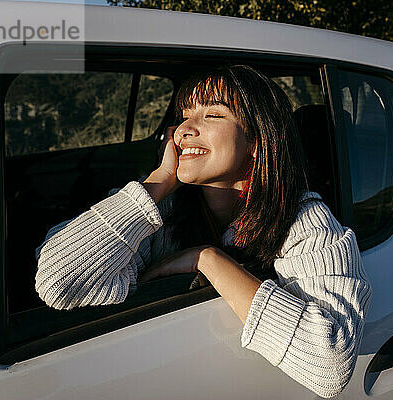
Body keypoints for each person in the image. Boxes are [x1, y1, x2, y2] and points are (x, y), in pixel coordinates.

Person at [34, 65, 372, 398]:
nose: (184, 130)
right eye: (185, 114)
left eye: (212, 115)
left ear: (256, 140)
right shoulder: (161, 209)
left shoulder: (304, 220)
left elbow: (330, 364)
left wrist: (207, 259)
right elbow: (55, 279)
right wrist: (156, 184)